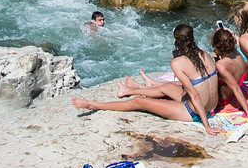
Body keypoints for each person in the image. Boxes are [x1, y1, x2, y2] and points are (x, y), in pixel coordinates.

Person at [74, 24, 229, 123]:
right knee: (167, 87)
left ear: (176, 41)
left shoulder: (177, 63)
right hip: (212, 107)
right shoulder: (205, 54)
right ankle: (130, 89)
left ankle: (92, 104)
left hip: (195, 112)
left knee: (139, 102)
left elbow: (194, 95)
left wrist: (206, 126)